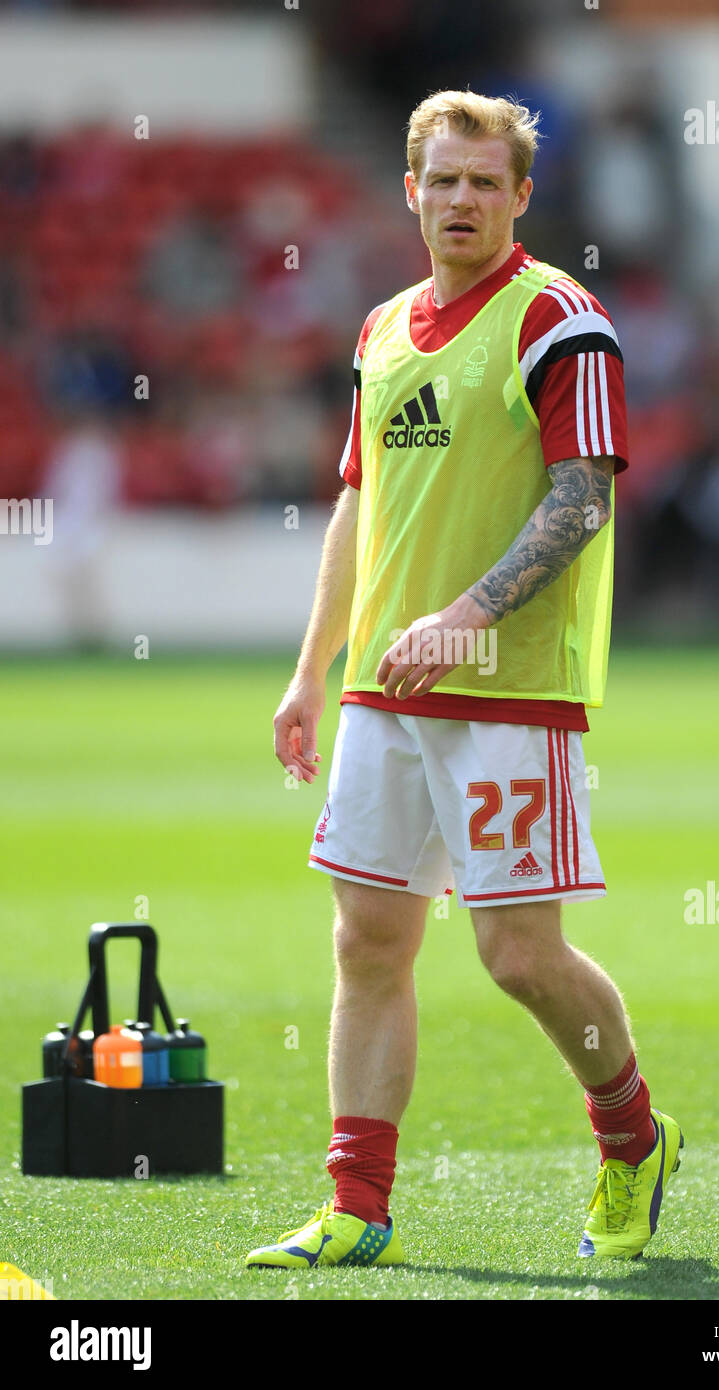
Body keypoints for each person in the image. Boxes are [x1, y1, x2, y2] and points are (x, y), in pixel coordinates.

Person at [246, 90, 683, 1273]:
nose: (460, 200)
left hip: (509, 688)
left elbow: (582, 497)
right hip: (382, 692)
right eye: (440, 180)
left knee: (517, 958)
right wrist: (310, 671)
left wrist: (465, 616)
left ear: (519, 197)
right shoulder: (382, 329)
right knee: (367, 942)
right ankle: (356, 1203)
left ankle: (633, 1137)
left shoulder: (560, 319)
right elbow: (357, 506)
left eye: (483, 182)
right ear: (409, 190)